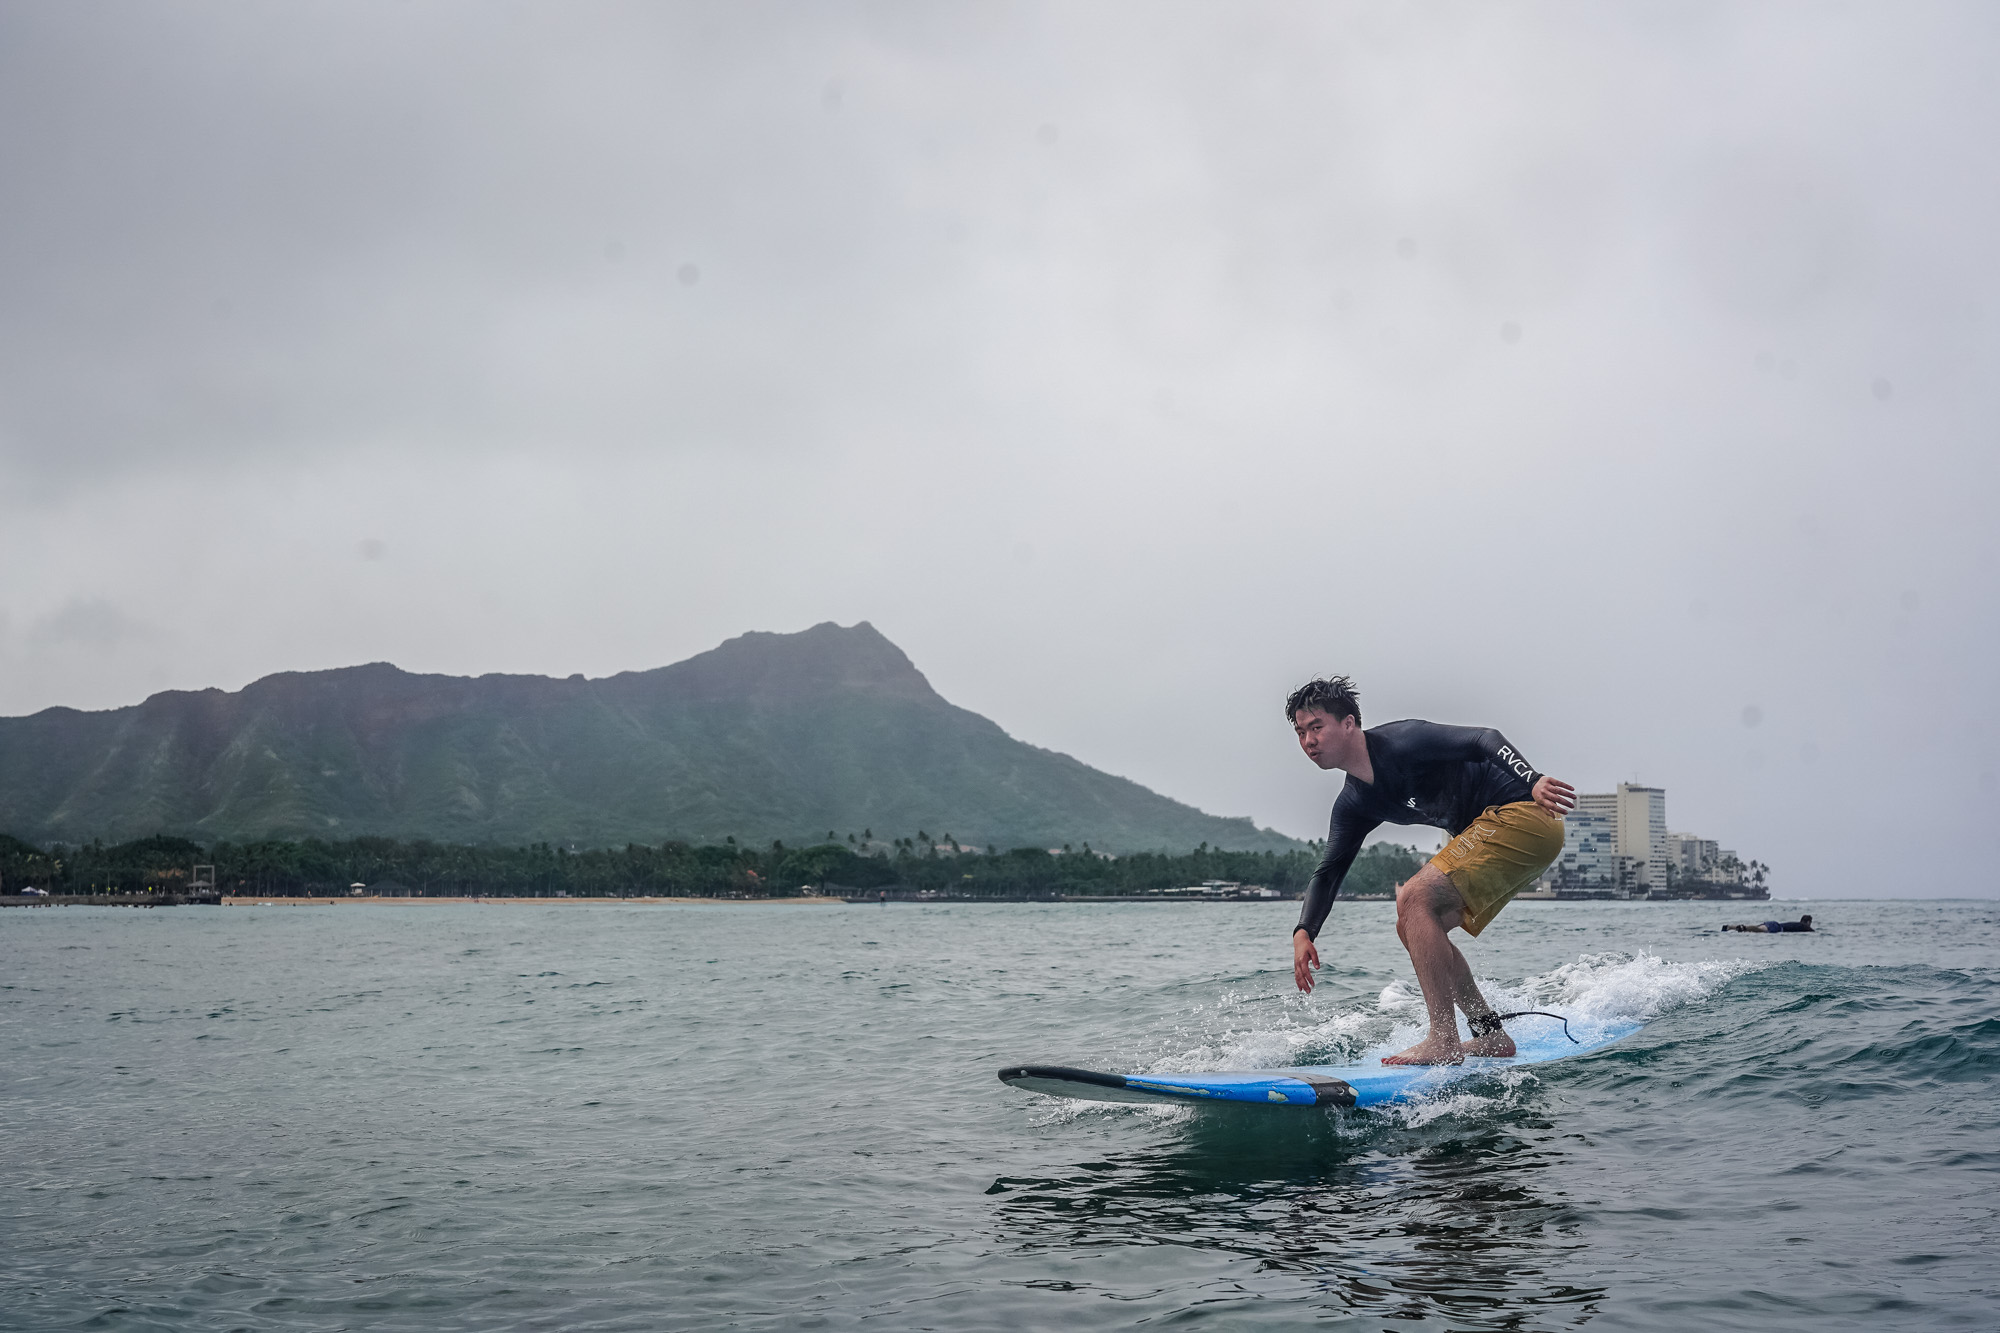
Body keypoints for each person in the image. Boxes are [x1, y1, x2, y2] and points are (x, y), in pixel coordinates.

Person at [1287, 676, 1575, 1065]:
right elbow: (1330, 869)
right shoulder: (1354, 801)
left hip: (1524, 813)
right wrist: (1305, 931)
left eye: (1316, 728)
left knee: (1414, 898)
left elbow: (1483, 738)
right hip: (1501, 834)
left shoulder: (1403, 741)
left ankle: (1442, 1038)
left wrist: (1532, 778)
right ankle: (1490, 1035)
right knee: (1414, 924)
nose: (1308, 741)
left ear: (1349, 723)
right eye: (1301, 732)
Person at [1723, 914, 1813, 933]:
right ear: (1808, 922)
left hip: (1775, 924)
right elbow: (1812, 930)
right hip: (1777, 927)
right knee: (1758, 930)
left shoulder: (1797, 924)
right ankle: (1743, 927)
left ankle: (1731, 927)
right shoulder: (1804, 926)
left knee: (1754, 929)